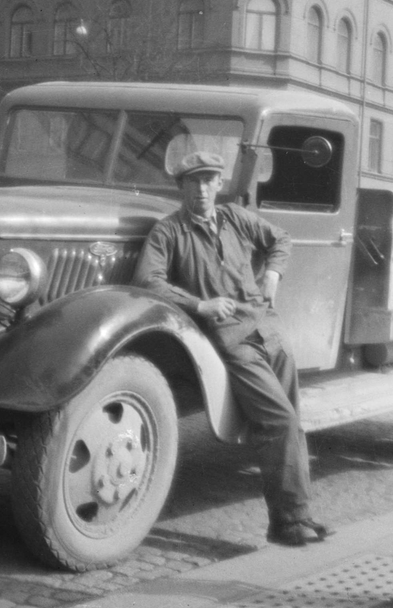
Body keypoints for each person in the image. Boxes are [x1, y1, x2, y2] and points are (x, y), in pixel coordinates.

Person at [133, 151, 332, 547]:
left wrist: (273, 274)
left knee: (293, 421)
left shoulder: (234, 218)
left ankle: (298, 514)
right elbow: (147, 281)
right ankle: (288, 519)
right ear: (182, 187)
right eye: (194, 181)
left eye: (209, 180)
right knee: (280, 422)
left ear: (219, 184)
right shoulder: (168, 232)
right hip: (233, 341)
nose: (203, 188)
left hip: (270, 332)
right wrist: (199, 305)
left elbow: (281, 238)